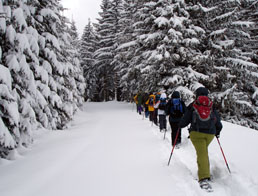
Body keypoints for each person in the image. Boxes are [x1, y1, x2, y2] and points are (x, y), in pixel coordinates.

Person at [179, 87, 223, 191]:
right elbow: (218, 122)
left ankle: (204, 178)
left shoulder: (193, 105)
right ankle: (205, 171)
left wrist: (180, 125)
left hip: (196, 133)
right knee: (203, 152)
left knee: (202, 153)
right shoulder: (211, 105)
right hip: (210, 134)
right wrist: (217, 132)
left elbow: (185, 120)